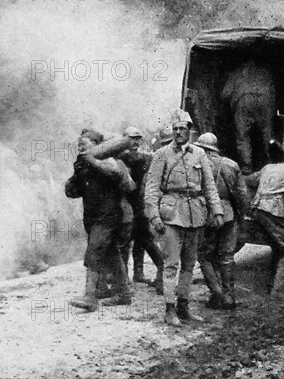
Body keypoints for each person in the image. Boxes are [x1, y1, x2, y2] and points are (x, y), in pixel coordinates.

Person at [144, 109, 224, 326]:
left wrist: (216, 211)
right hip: (170, 215)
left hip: (195, 214)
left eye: (182, 128)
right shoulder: (161, 154)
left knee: (189, 264)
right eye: (175, 128)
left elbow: (209, 186)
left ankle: (183, 306)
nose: (178, 132)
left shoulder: (199, 154)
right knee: (171, 264)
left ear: (190, 131)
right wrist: (154, 217)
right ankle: (169, 310)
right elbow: (151, 188)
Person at [64, 129, 135, 311]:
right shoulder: (82, 164)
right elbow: (76, 190)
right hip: (93, 216)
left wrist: (92, 161)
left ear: (95, 145)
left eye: (84, 144)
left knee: (93, 252)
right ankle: (124, 293)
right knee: (112, 253)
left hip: (108, 215)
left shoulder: (106, 158)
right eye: (78, 144)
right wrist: (72, 184)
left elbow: (115, 174)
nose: (80, 147)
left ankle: (90, 297)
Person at [193, 132, 249, 310]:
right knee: (226, 256)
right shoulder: (231, 165)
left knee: (204, 255)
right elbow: (242, 195)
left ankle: (216, 292)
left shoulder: (197, 164)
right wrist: (242, 215)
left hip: (206, 213)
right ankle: (229, 296)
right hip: (229, 213)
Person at [246, 140, 284, 299]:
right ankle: (280, 290)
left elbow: (249, 180)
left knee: (278, 247)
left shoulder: (267, 168)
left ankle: (272, 283)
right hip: (274, 210)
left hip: (258, 208)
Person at [117, 126, 164, 291]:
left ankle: (139, 273)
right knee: (128, 242)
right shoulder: (123, 157)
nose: (135, 142)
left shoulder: (134, 157)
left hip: (138, 205)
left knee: (143, 241)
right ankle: (125, 278)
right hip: (126, 206)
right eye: (132, 138)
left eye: (138, 138)